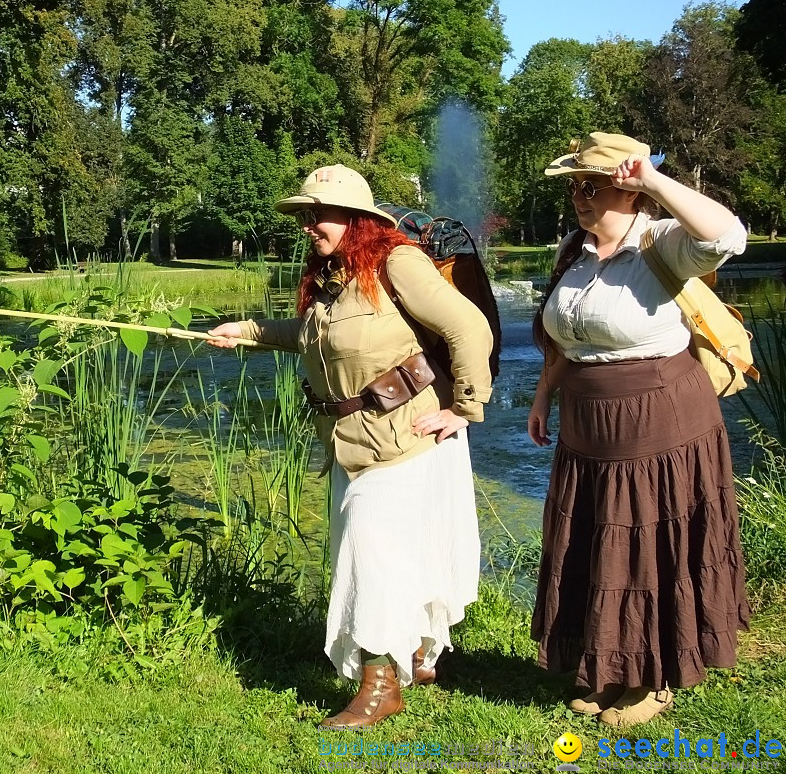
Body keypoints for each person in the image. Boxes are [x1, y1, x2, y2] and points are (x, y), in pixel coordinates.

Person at [206, 164, 494, 728]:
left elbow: (470, 327)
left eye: (321, 214)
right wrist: (250, 331)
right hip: (349, 441)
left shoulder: (396, 263)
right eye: (306, 215)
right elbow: (315, 336)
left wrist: (464, 408)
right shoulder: (333, 275)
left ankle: (380, 683)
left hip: (406, 439)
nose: (310, 224)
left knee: (370, 556)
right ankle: (418, 656)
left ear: (358, 219)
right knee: (389, 553)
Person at [527, 133, 750, 727]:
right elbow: (570, 336)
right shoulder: (571, 249)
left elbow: (728, 235)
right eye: (575, 185)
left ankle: (653, 681)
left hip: (658, 420)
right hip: (586, 422)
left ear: (627, 190)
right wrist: (544, 393)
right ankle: (605, 666)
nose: (580, 195)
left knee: (649, 546)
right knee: (601, 542)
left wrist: (652, 179)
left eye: (594, 185)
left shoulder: (660, 243)